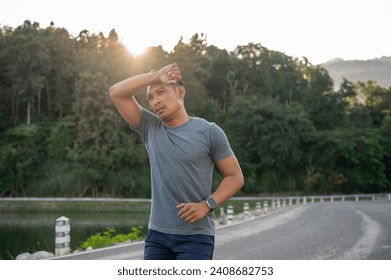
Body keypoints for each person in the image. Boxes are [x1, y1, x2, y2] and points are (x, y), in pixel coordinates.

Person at [109, 63, 244, 260]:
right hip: (157, 236)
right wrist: (155, 75)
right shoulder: (149, 127)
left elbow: (235, 177)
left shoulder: (209, 132)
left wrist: (207, 205)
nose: (155, 101)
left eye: (161, 92)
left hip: (196, 237)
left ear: (180, 92)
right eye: (150, 97)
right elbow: (116, 92)